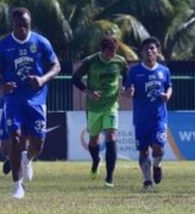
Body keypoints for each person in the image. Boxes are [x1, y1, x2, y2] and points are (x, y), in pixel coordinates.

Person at [0, 8, 61, 199]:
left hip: (37, 100)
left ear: (31, 24)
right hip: (13, 100)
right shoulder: (3, 46)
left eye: (26, 25)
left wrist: (42, 79)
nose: (22, 29)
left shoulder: (41, 42)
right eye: (18, 25)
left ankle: (27, 158)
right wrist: (2, 87)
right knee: (15, 138)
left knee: (37, 144)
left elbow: (56, 66)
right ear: (12, 25)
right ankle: (17, 186)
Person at [72, 35, 128, 188]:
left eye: (114, 51)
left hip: (111, 105)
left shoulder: (120, 61)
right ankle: (96, 160)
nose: (112, 55)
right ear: (102, 50)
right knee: (94, 140)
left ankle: (109, 178)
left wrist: (126, 87)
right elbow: (75, 78)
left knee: (111, 135)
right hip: (94, 107)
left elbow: (128, 76)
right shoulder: (90, 61)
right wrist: (88, 91)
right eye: (109, 52)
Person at [124, 37, 172, 191]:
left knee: (158, 146)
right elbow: (127, 90)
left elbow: (169, 87)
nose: (149, 51)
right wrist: (128, 92)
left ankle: (157, 165)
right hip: (141, 119)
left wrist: (167, 95)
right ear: (142, 52)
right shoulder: (134, 71)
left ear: (157, 51)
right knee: (143, 150)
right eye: (146, 49)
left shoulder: (164, 71)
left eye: (152, 48)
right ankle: (147, 181)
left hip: (158, 117)